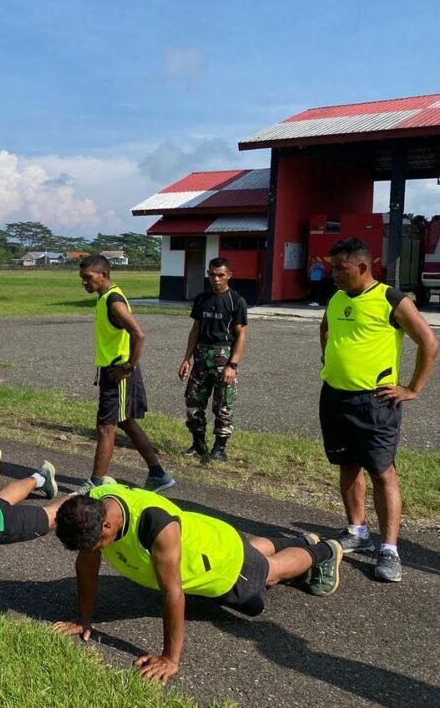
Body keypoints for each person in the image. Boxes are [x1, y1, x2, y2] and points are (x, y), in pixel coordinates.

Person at [52, 484, 344, 685]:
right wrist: (83, 618)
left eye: (96, 544)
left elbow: (173, 593)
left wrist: (170, 658)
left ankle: (325, 551)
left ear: (107, 525)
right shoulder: (92, 506)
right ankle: (299, 541)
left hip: (221, 561)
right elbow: (87, 568)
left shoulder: (154, 524)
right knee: (252, 554)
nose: (94, 551)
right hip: (208, 535)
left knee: (269, 574)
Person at [319, 237, 437, 583]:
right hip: (335, 398)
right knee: (347, 464)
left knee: (382, 473)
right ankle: (357, 531)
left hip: (375, 402)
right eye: (332, 268)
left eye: (339, 268)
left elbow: (429, 343)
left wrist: (412, 388)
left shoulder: (391, 299)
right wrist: (329, 358)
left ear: (362, 267)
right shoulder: (338, 297)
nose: (333, 274)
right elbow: (325, 327)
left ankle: (389, 549)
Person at [78, 255, 174, 493]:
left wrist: (128, 367)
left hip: (118, 372)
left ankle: (95, 484)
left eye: (88, 277)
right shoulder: (105, 297)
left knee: (105, 427)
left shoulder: (113, 301)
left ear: (103, 275)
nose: (84, 282)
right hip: (112, 371)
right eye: (82, 278)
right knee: (125, 422)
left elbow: (139, 334)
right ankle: (158, 474)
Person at [178, 257, 248, 463]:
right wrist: (186, 358)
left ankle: (219, 448)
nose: (216, 279)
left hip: (223, 357)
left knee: (223, 404)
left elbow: (241, 335)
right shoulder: (202, 298)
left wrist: (232, 365)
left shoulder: (236, 301)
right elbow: (195, 329)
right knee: (193, 402)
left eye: (220, 275)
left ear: (229, 275)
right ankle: (198, 444)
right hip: (201, 357)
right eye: (212, 275)